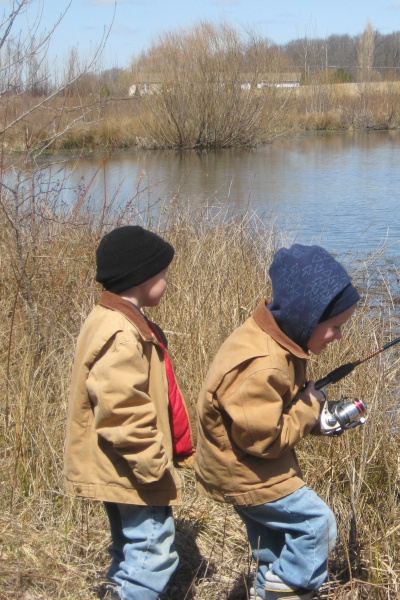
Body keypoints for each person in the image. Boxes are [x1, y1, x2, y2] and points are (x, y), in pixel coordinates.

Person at [194, 243, 361, 600]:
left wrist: (313, 415)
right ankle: (290, 592)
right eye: (334, 327)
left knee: (274, 549)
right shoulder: (263, 365)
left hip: (249, 467)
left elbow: (271, 416)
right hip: (247, 473)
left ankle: (268, 590)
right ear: (307, 316)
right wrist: (308, 406)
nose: (339, 337)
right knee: (318, 526)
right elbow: (265, 440)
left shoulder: (280, 339)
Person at [63, 225, 194, 600]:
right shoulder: (122, 333)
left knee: (129, 548)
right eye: (163, 274)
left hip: (120, 464)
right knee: (153, 552)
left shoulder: (112, 319)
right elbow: (122, 410)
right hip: (134, 468)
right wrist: (153, 465)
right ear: (141, 279)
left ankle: (115, 590)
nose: (167, 282)